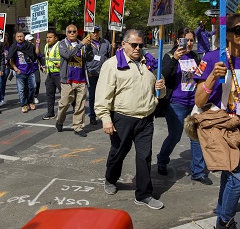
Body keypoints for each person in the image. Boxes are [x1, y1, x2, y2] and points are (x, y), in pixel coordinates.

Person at [193, 13, 240, 229]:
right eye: (239, 30)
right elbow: (199, 100)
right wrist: (212, 76)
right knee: (238, 177)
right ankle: (225, 222)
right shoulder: (212, 58)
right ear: (227, 34)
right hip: (217, 125)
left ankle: (221, 218)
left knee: (229, 175)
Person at [95, 29, 166, 210]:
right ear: (124, 44)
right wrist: (105, 118)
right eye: (134, 45)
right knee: (118, 153)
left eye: (140, 45)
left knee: (144, 156)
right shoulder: (112, 65)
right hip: (122, 118)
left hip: (146, 118)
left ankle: (143, 194)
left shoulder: (150, 64)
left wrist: (161, 88)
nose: (137, 48)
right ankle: (110, 178)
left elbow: (160, 93)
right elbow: (103, 94)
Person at [157, 28, 211, 184]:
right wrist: (174, 59)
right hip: (176, 104)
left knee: (196, 137)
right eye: (185, 40)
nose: (189, 43)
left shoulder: (195, 56)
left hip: (193, 104)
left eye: (191, 40)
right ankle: (162, 160)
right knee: (175, 136)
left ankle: (198, 171)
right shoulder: (169, 56)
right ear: (178, 41)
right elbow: (162, 76)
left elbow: (201, 76)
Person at [56, 25, 91, 137]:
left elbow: (88, 58)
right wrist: (81, 45)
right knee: (65, 103)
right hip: (68, 80)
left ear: (77, 33)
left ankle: (78, 126)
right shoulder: (62, 44)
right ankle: (59, 120)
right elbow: (67, 55)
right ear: (66, 33)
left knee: (80, 105)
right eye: (69, 31)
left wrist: (89, 47)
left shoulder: (82, 43)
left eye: (74, 31)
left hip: (81, 79)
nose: (72, 33)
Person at [84, 25, 111, 126]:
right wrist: (88, 72)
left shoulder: (105, 42)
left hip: (104, 73)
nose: (95, 34)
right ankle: (92, 116)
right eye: (93, 32)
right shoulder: (87, 44)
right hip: (92, 73)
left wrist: (113, 48)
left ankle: (105, 115)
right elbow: (83, 59)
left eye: (97, 32)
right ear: (90, 33)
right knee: (92, 96)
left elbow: (109, 56)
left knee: (105, 95)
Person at [8, 32, 38, 114]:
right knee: (21, 90)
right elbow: (10, 59)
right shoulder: (13, 47)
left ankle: (30, 102)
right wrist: (15, 68)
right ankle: (24, 104)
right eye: (18, 36)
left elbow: (36, 55)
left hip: (30, 70)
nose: (20, 38)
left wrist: (37, 45)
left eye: (21, 36)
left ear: (24, 37)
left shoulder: (29, 46)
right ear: (15, 38)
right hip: (20, 71)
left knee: (32, 87)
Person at [41, 30, 61, 120]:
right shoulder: (46, 46)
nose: (48, 39)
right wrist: (44, 67)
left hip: (59, 74)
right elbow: (44, 57)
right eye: (47, 37)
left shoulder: (60, 45)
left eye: (50, 37)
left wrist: (61, 64)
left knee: (65, 94)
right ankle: (50, 113)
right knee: (49, 94)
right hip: (50, 74)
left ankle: (75, 108)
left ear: (55, 38)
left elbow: (67, 57)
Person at [25, 34, 42, 106]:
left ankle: (35, 96)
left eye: (32, 40)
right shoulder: (24, 48)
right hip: (26, 69)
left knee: (37, 81)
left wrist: (42, 65)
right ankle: (28, 97)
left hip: (34, 68)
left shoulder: (35, 48)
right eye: (30, 40)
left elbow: (39, 56)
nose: (32, 42)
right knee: (27, 85)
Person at [0, 39, 11, 107]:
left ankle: (2, 98)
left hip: (6, 68)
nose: (3, 41)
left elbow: (10, 58)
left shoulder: (8, 48)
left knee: (3, 84)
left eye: (5, 39)